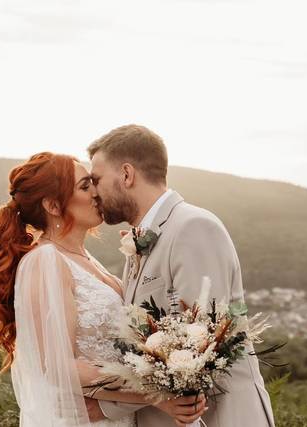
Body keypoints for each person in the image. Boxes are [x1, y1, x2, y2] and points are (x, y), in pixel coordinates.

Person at [0, 152, 206, 426]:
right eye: (85, 186)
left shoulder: (86, 259)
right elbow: (61, 367)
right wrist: (156, 393)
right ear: (52, 205)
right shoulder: (45, 261)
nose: (96, 194)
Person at [85, 125, 276, 427]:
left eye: (96, 180)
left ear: (126, 174)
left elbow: (199, 353)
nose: (93, 191)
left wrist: (106, 407)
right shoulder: (142, 241)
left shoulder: (192, 227)